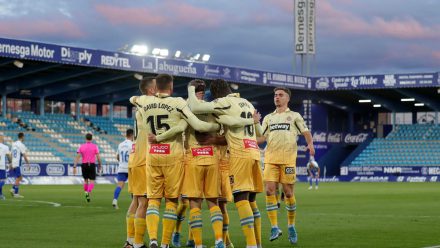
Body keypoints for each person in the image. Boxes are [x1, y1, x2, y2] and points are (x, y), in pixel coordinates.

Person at [132, 73, 220, 248]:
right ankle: (165, 243)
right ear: (171, 87)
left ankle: (153, 240)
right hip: (173, 155)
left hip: (153, 156)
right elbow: (198, 126)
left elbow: (133, 99)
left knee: (154, 200)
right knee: (172, 201)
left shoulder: (145, 102)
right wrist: (216, 127)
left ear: (156, 87)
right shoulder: (179, 102)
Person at [187, 79, 264, 248]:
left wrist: (191, 89)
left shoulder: (224, 102)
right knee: (251, 200)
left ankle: (251, 245)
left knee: (241, 198)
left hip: (239, 154)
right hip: (254, 152)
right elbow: (260, 132)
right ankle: (258, 244)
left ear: (215, 93)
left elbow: (195, 107)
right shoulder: (247, 103)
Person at [257, 87, 315, 244]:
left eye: (280, 95)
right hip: (270, 159)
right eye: (275, 95)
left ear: (287, 98)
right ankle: (275, 227)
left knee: (288, 193)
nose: (277, 97)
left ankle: (291, 226)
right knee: (269, 191)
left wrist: (310, 144)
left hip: (288, 160)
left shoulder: (294, 116)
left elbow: (306, 132)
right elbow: (262, 137)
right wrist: (245, 142)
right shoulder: (268, 118)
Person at [73, 133, 102, 202]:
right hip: (91, 164)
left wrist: (74, 166)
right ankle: (88, 192)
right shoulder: (95, 146)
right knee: (92, 181)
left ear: (85, 138)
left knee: (85, 181)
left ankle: (86, 196)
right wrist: (100, 165)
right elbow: (98, 157)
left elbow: (77, 157)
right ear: (91, 139)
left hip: (84, 165)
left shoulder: (81, 146)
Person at [113, 129, 134, 209]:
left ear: (126, 135)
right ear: (132, 135)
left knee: (119, 185)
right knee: (133, 186)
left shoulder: (120, 144)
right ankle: (134, 204)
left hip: (121, 168)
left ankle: (115, 200)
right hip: (130, 168)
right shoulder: (132, 144)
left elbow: (117, 157)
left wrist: (122, 162)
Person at [10, 132, 29, 198]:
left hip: (14, 163)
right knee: (19, 178)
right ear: (22, 137)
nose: (24, 138)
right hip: (17, 163)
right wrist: (28, 164)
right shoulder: (21, 145)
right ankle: (16, 193)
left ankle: (13, 189)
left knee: (20, 177)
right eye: (24, 137)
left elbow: (11, 154)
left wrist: (11, 163)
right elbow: (24, 156)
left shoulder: (13, 144)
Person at [0, 135, 12, 200]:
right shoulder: (5, 147)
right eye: (3, 138)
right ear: (1, 139)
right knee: (3, 180)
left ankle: (1, 194)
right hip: (2, 166)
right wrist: (11, 163)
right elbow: (8, 156)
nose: (4, 139)